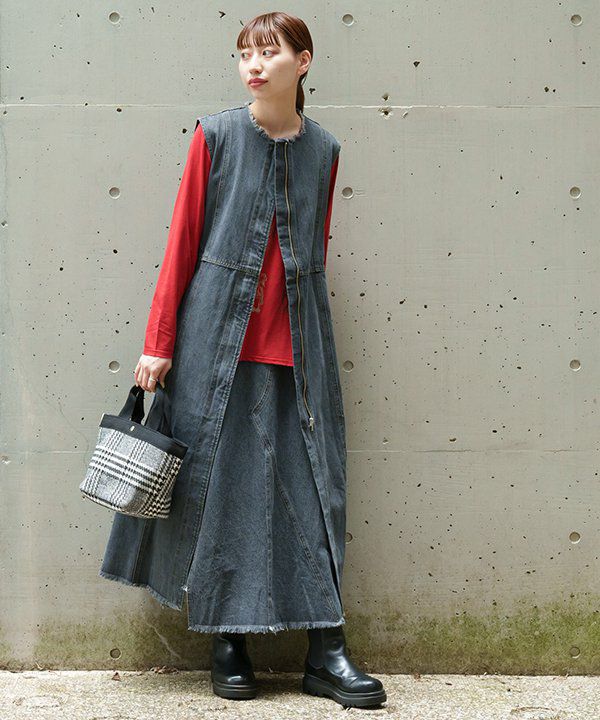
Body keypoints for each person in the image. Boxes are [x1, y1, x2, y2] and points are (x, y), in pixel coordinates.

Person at [102, 11, 387, 710]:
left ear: (304, 61)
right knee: (219, 492)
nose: (253, 65)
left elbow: (314, 249)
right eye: (244, 54)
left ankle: (327, 651)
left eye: (268, 52)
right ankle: (227, 643)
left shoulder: (326, 150)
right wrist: (159, 342)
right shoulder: (217, 135)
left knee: (316, 491)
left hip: (301, 348)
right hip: (214, 346)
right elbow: (184, 241)